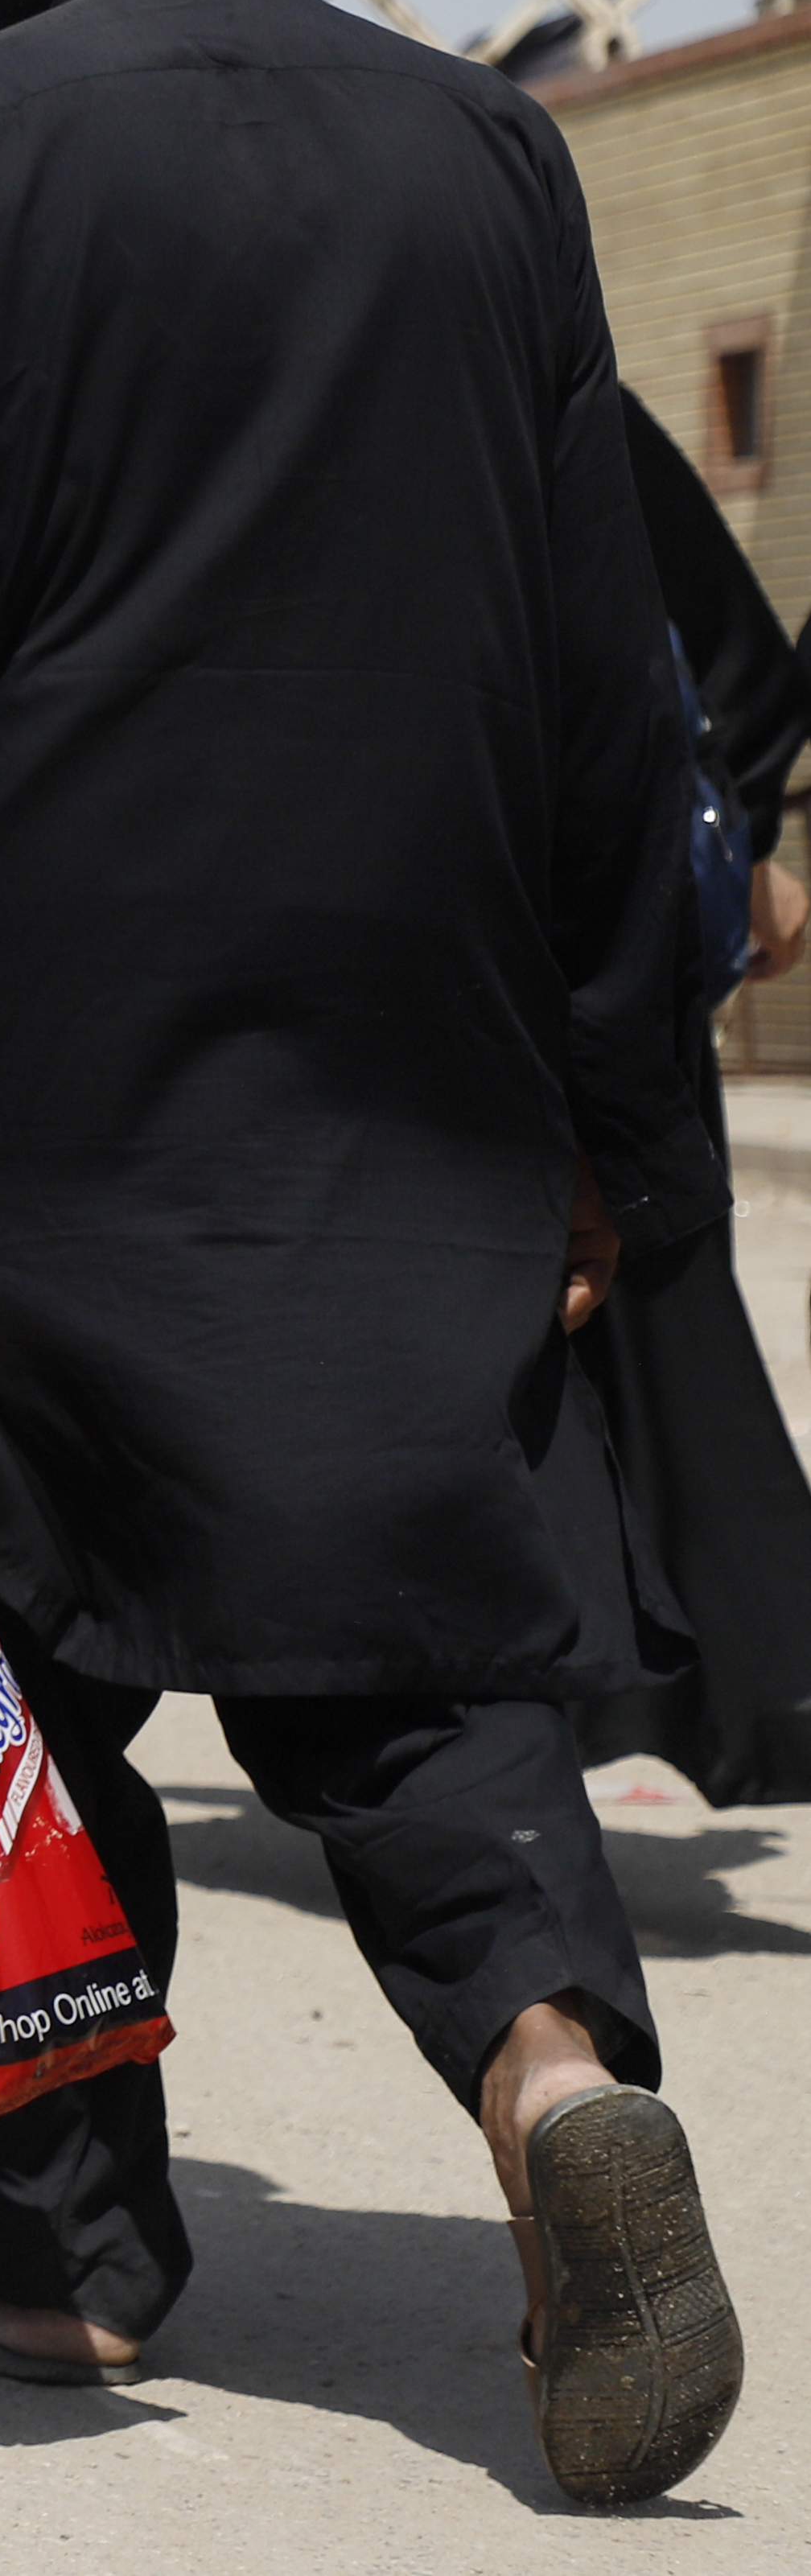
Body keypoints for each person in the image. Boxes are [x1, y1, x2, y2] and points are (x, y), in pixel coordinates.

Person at [0, 0, 739, 2501]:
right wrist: (604, 1115)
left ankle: (53, 2262)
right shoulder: (478, 156)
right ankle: (549, 2080)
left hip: (42, 1076)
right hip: (407, 1062)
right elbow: (591, 678)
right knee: (411, 1628)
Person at [578, 393, 811, 1805]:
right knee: (655, 1313)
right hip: (610, 933)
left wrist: (748, 836)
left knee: (648, 1312)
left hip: (567, 937)